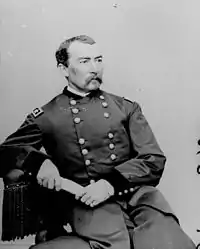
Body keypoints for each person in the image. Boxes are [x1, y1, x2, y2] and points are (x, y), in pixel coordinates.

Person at [0, 35, 196, 249]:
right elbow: (7, 150)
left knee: (169, 243)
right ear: (63, 69)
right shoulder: (47, 115)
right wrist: (39, 163)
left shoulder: (126, 108)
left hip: (139, 197)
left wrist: (110, 184)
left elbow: (153, 159)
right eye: (85, 61)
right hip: (86, 202)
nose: (95, 68)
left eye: (99, 59)